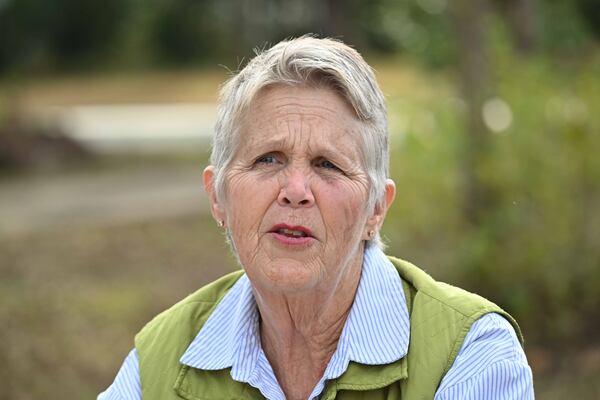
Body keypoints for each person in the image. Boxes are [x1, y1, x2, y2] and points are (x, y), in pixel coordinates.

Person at [99, 36, 534, 400]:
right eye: (268, 159)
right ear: (218, 197)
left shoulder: (471, 355)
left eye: (328, 165)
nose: (295, 191)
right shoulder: (157, 364)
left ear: (376, 209)